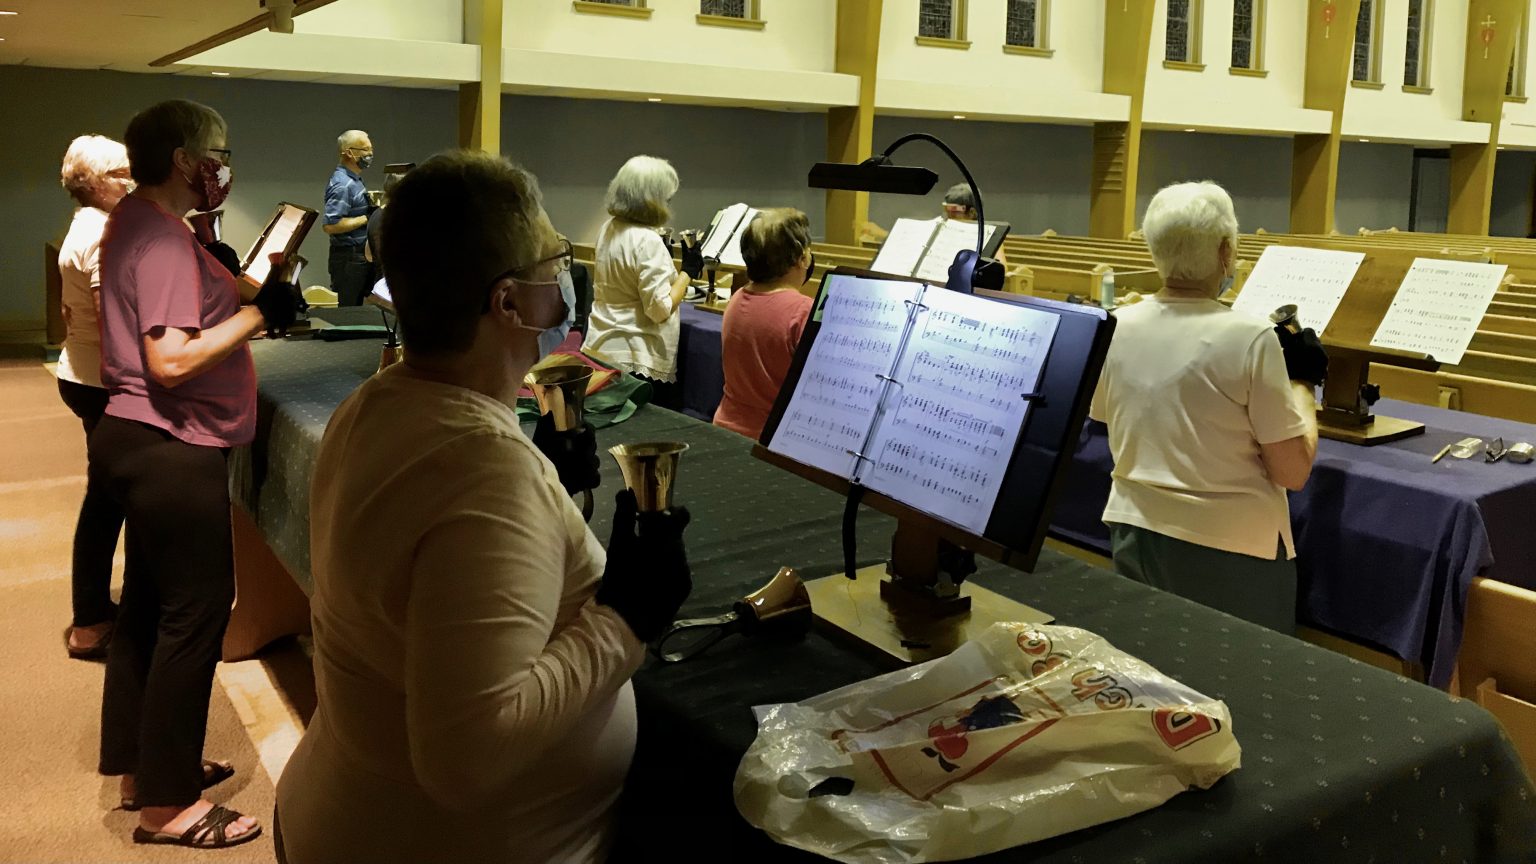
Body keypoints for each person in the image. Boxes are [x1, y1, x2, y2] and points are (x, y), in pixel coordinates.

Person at [275, 150, 693, 864]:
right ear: (508, 303)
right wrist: (626, 619)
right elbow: (466, 758)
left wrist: (548, 496)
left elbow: (431, 576)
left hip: (347, 812)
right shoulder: (484, 470)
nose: (561, 280)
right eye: (551, 263)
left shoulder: (375, 404)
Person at [93, 99, 302, 849]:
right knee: (197, 614)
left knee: (148, 611)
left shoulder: (143, 224)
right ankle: (168, 806)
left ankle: (142, 767)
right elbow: (172, 360)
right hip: (167, 443)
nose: (224, 163)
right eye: (218, 150)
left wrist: (243, 290)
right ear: (185, 160)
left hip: (135, 439)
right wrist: (260, 316)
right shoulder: (159, 241)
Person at [1088, 181, 1325, 634]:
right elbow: (1292, 471)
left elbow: (1105, 415)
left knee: (1155, 668)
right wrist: (1302, 384)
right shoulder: (1249, 336)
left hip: (1136, 530)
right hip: (1233, 547)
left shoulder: (1117, 323)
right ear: (1225, 252)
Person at [55, 135, 134, 660]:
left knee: (106, 497)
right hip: (101, 384)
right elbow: (118, 329)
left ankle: (93, 612)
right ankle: (88, 622)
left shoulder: (85, 225)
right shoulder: (106, 233)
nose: (132, 181)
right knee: (108, 501)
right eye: (125, 172)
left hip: (80, 375)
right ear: (100, 181)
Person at [586, 155, 703, 409]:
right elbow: (658, 309)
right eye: (666, 198)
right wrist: (688, 272)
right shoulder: (646, 240)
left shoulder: (609, 227)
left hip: (603, 344)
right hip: (637, 353)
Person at [713, 208, 815, 440]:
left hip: (726, 429)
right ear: (803, 257)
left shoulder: (737, 297)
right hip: (775, 438)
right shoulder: (802, 310)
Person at [323, 129, 375, 305]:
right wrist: (368, 217)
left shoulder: (354, 180)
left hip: (356, 258)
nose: (370, 154)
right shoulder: (343, 185)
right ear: (349, 152)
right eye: (365, 150)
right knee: (349, 312)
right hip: (348, 259)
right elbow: (331, 225)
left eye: (371, 150)